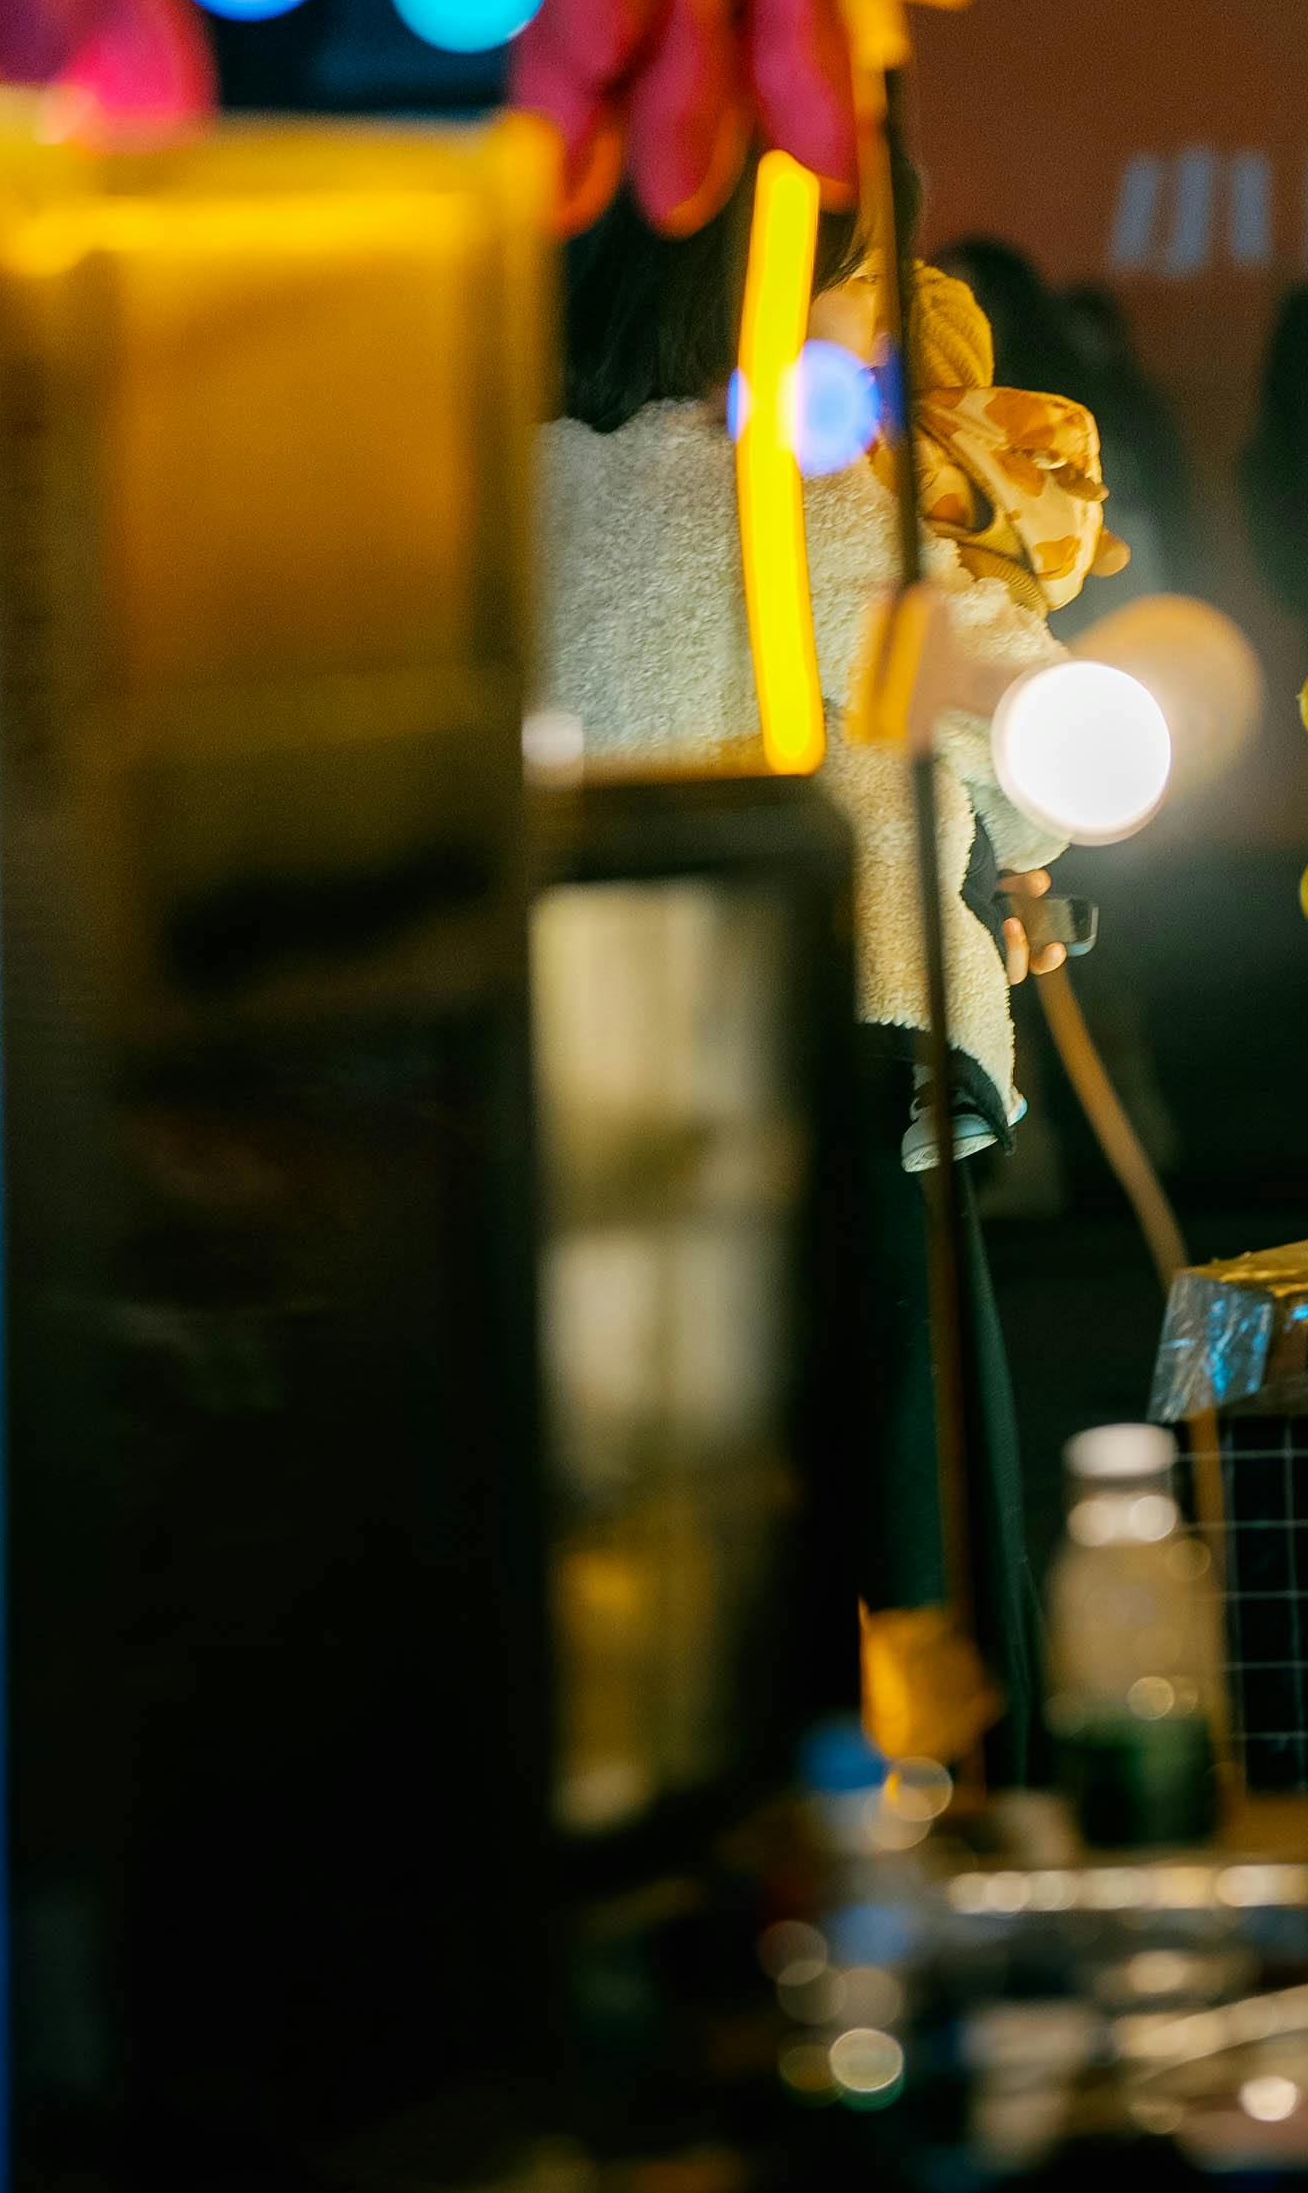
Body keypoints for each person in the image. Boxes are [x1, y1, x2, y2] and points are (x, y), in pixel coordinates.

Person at [538, 187, 1129, 1772]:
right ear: (777, 295)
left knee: (677, 1487)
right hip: (857, 1040)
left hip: (608, 1057)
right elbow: (1047, 755)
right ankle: (954, 1802)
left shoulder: (529, 493)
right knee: (911, 1489)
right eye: (868, 279)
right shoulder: (843, 512)